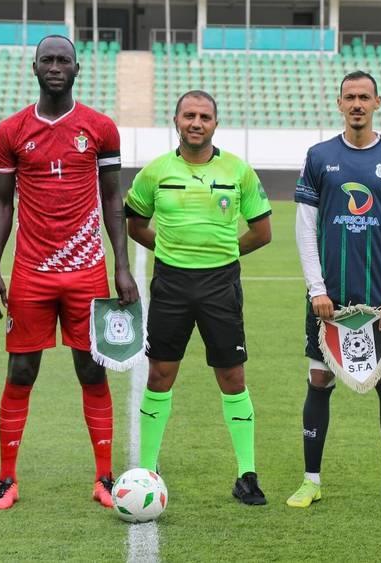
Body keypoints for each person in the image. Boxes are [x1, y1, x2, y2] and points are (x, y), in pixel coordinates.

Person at [0, 35, 138, 511]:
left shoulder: (100, 128)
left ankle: (105, 478)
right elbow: (2, 203)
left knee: (92, 371)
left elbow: (113, 199)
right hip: (30, 273)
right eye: (47, 59)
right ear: (34, 67)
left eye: (62, 60)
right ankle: (6, 480)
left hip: (87, 272)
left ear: (77, 67)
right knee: (21, 371)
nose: (55, 66)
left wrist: (122, 267)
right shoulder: (11, 131)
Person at [125, 90, 273, 505]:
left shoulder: (238, 171)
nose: (196, 122)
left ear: (215, 123)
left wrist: (222, 254)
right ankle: (148, 470)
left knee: (232, 376)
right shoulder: (155, 173)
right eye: (188, 115)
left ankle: (247, 474)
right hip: (171, 284)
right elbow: (135, 224)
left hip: (220, 285)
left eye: (204, 116)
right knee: (160, 374)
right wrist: (172, 250)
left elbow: (262, 232)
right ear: (175, 121)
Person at [286, 71, 381, 510]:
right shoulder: (318, 156)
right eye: (350, 97)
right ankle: (311, 481)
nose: (357, 103)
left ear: (378, 102)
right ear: (339, 103)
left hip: (380, 298)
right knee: (319, 379)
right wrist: (316, 290)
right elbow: (305, 229)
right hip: (330, 299)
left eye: (365, 97)